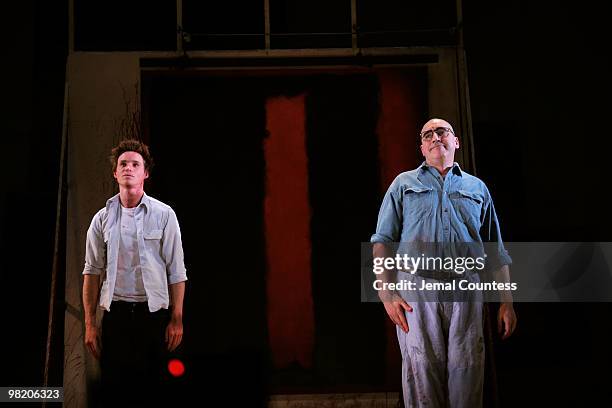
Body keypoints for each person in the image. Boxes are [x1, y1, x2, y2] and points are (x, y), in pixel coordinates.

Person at [371, 118, 517, 408]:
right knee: (422, 374)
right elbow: (382, 242)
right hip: (417, 289)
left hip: (467, 288)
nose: (435, 137)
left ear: (456, 141)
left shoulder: (477, 188)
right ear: (422, 147)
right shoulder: (403, 184)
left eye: (442, 131)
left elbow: (495, 251)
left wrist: (507, 301)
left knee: (468, 371)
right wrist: (385, 293)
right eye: (428, 134)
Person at [82, 139, 187, 407]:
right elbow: (91, 272)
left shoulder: (164, 215)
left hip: (152, 317)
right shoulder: (101, 219)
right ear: (115, 173)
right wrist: (90, 323)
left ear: (145, 173)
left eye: (135, 164)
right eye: (123, 164)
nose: (129, 168)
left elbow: (176, 269)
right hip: (116, 317)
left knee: (153, 390)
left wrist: (176, 318)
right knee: (115, 391)